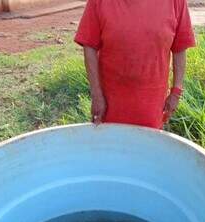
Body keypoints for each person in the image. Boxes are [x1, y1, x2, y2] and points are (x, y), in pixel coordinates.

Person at [75, 0, 196, 129]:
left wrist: (176, 92)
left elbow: (180, 47)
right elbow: (89, 45)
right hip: (109, 104)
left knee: (146, 145)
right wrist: (96, 95)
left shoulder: (176, 2)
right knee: (109, 145)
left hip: (151, 106)